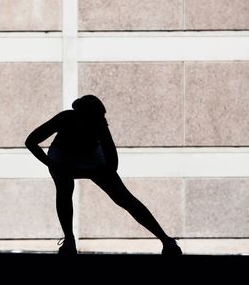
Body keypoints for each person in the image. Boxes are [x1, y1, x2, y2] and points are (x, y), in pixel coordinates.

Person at [25, 94, 182, 255]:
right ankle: (69, 240)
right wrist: (52, 165)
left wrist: (94, 171)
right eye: (88, 120)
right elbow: (30, 141)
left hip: (91, 156)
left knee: (124, 198)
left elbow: (113, 164)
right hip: (63, 156)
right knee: (64, 190)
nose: (90, 123)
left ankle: (166, 240)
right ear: (79, 115)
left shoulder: (100, 125)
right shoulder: (65, 118)